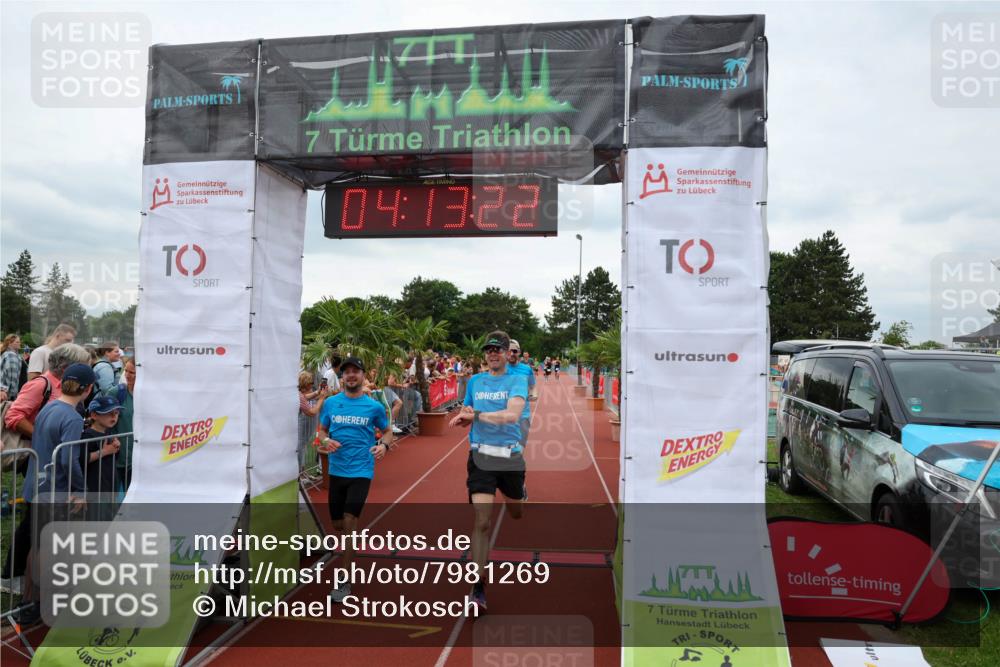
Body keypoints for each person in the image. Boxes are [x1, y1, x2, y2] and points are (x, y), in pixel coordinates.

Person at [449, 331, 529, 613]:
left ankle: (519, 492)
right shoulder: (474, 381)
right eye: (489, 350)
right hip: (480, 455)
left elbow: (511, 415)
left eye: (498, 349)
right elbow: (468, 407)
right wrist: (464, 415)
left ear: (508, 353)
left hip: (509, 456)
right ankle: (477, 587)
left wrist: (477, 416)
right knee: (482, 522)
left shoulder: (517, 380)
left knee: (516, 511)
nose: (493, 353)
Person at [15, 362, 95, 625]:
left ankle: (28, 601)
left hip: (36, 486)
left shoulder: (49, 407)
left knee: (38, 545)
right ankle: (35, 603)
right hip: (54, 489)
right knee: (47, 547)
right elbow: (69, 460)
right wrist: (80, 491)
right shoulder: (71, 417)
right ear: (89, 389)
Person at [316, 357, 388, 603]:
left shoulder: (374, 407)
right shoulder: (332, 404)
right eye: (346, 372)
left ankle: (345, 579)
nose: (351, 375)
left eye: (355, 371)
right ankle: (350, 541)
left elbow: (387, 431)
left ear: (363, 375)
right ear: (342, 376)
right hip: (336, 471)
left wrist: (384, 446)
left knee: (348, 525)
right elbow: (321, 430)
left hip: (361, 471)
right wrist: (325, 441)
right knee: (337, 525)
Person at [81, 395, 121, 520]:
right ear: (94, 415)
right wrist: (105, 451)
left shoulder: (109, 432)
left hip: (109, 487)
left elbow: (114, 456)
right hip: (94, 489)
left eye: (116, 413)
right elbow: (83, 459)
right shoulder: (87, 435)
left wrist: (116, 448)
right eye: (108, 413)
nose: (114, 417)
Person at [505, 339, 538, 449]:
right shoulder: (500, 369)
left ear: (519, 352)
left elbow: (532, 386)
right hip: (504, 414)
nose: (512, 354)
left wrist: (534, 394)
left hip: (523, 415)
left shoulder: (526, 369)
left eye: (514, 351)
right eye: (509, 351)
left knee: (520, 448)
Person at [298, 371, 329, 472]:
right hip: (299, 432)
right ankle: (299, 475)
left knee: (302, 447)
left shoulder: (298, 394)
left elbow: (306, 397)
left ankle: (301, 475)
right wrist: (322, 398)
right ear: (306, 384)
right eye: (311, 382)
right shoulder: (299, 396)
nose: (312, 384)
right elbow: (312, 412)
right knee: (300, 448)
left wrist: (318, 392)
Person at [114, 357, 137, 491]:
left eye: (132, 372)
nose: (127, 375)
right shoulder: (117, 392)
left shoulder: (150, 396)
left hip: (140, 458)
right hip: (119, 456)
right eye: (126, 370)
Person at [1, 334, 23, 401]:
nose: (19, 343)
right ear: (9, 343)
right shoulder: (11, 355)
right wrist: (12, 395)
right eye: (17, 342)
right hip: (8, 394)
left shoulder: (7, 354)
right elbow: (12, 377)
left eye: (19, 342)